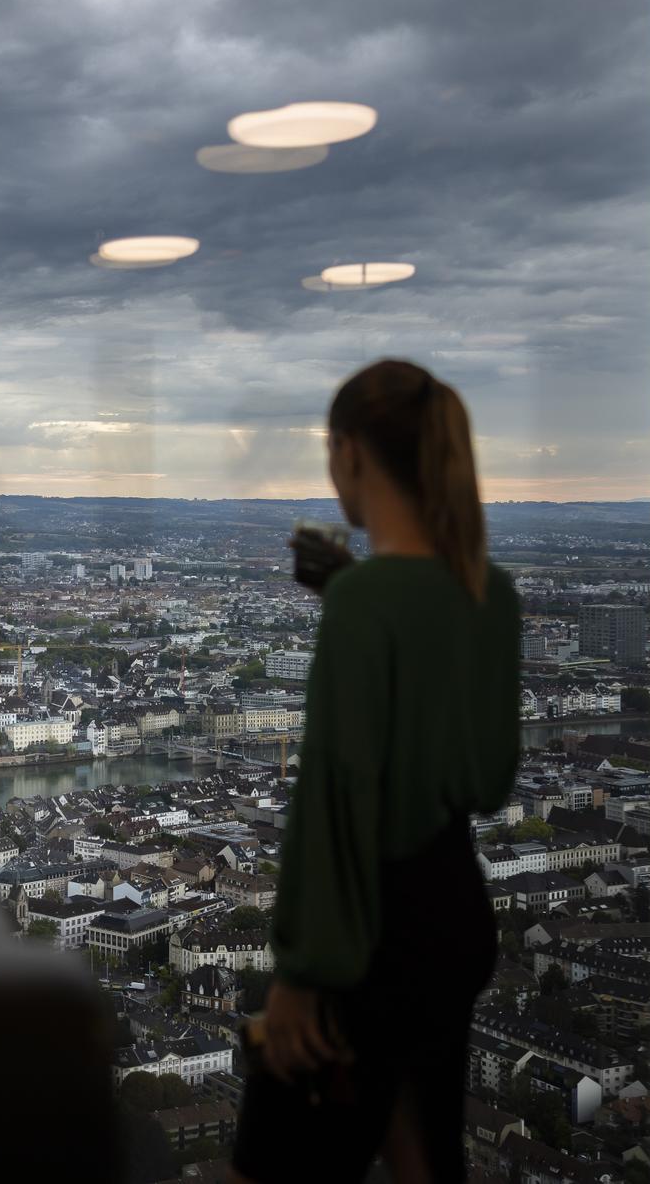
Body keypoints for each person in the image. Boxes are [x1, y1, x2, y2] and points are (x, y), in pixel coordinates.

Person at [231, 360, 522, 1184]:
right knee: (422, 1162)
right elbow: (484, 781)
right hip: (453, 920)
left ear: (351, 453)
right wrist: (359, 593)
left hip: (369, 936)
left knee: (268, 1168)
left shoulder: (366, 607)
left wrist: (300, 974)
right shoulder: (488, 593)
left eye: (331, 452)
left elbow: (336, 797)